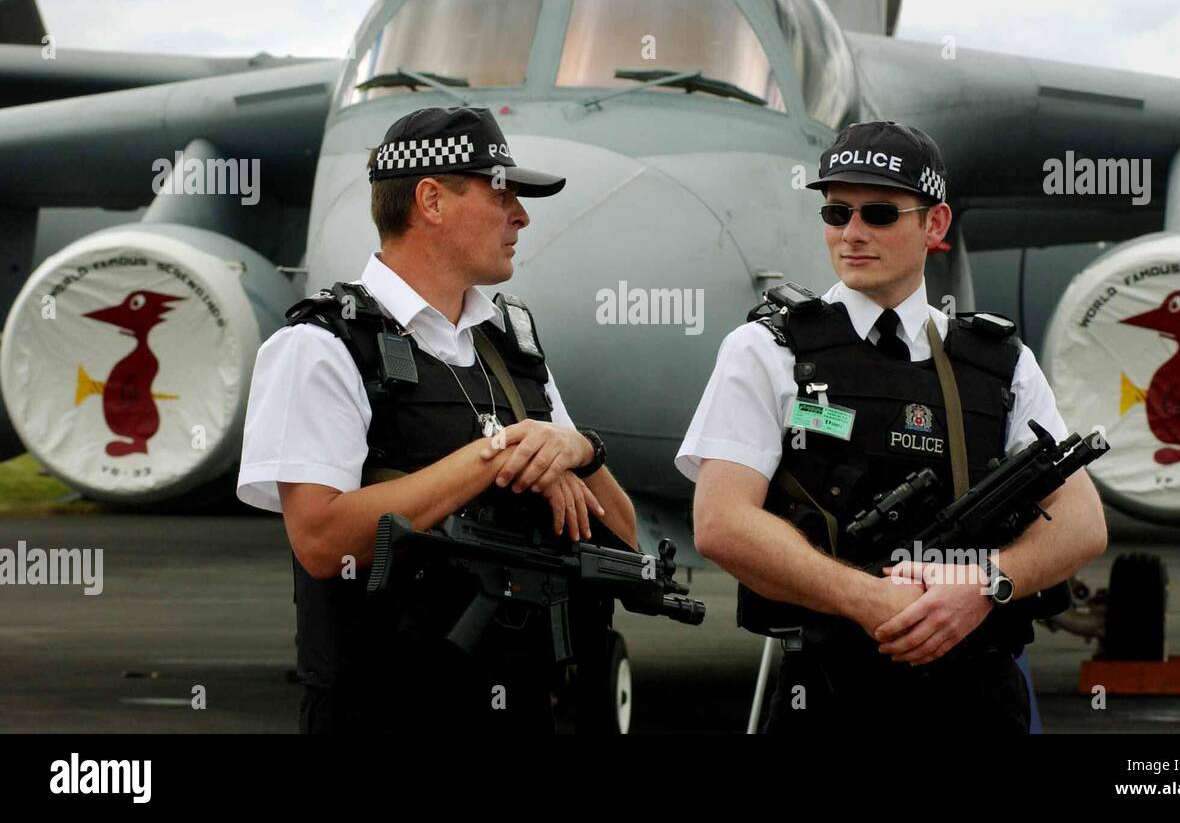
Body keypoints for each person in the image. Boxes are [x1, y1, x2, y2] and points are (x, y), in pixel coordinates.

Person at [676, 120, 1107, 733]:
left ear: (935, 225)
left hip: (976, 691)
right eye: (835, 212)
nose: (851, 233)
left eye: (878, 213)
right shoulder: (767, 349)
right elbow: (721, 523)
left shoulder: (998, 360)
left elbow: (1084, 522)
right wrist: (870, 600)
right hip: (829, 688)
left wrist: (987, 586)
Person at [237, 106, 637, 733]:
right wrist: (498, 455)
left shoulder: (510, 347)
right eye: (501, 191)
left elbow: (622, 535)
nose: (522, 215)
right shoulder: (320, 345)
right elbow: (321, 541)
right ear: (430, 200)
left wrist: (579, 448)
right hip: (383, 712)